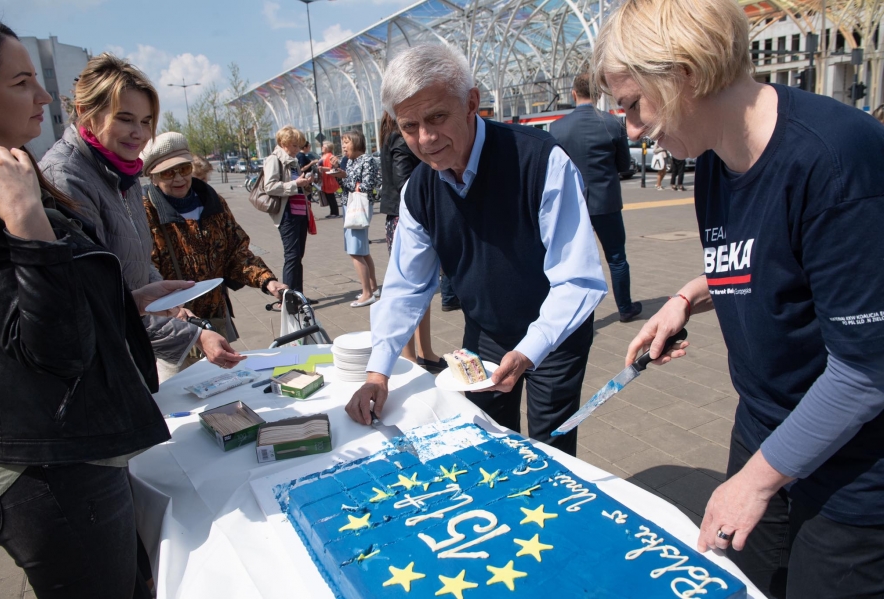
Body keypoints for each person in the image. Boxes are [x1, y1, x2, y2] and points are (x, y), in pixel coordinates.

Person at [593, 0, 884, 596]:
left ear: (685, 76)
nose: (632, 129)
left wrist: (752, 483)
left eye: (633, 104)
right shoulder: (713, 160)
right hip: (764, 429)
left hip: (852, 470)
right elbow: (772, 257)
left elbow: (866, 368)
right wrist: (686, 296)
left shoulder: (837, 159)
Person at [0, 19, 190, 596]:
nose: (43, 96)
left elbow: (69, 295)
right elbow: (54, 346)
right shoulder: (18, 192)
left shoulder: (21, 173)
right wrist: (25, 217)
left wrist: (126, 302)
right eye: (21, 82)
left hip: (76, 442)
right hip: (46, 460)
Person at [345, 44, 608, 456]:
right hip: (486, 333)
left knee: (550, 450)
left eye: (437, 117)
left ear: (471, 103)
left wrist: (530, 349)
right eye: (410, 126)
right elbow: (405, 288)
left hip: (555, 334)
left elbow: (578, 278)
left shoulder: (540, 160)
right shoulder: (420, 189)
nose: (425, 139)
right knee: (488, 440)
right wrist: (378, 373)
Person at [39, 54, 243, 373]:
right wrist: (191, 335)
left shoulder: (123, 172)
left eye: (146, 121)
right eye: (125, 119)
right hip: (102, 363)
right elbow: (98, 301)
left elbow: (135, 265)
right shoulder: (66, 179)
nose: (139, 133)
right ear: (85, 111)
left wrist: (174, 310)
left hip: (131, 348)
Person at [140, 132, 288, 378]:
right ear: (152, 177)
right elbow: (143, 271)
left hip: (214, 319)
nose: (179, 178)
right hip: (172, 326)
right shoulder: (144, 211)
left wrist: (267, 280)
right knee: (176, 392)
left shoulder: (212, 202)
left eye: (184, 169)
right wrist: (174, 310)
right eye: (168, 173)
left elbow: (236, 252)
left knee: (221, 387)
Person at [550, 70, 643, 323]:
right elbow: (624, 165)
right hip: (607, 202)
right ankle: (625, 308)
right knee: (617, 258)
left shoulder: (557, 128)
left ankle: (580, 317)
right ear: (598, 94)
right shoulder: (612, 123)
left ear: (573, 94)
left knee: (575, 262)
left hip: (573, 204)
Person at [379, 113, 444, 373]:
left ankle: (424, 352)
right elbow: (404, 180)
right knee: (410, 290)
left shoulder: (391, 136)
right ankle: (410, 357)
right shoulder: (400, 139)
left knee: (421, 288)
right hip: (404, 217)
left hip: (399, 215)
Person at [264, 126, 316, 302]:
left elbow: (298, 187)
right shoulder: (274, 160)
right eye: (294, 145)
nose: (297, 150)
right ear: (283, 143)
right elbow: (270, 186)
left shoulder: (292, 161)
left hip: (299, 212)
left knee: (297, 256)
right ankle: (287, 299)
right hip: (287, 215)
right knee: (292, 256)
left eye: (298, 146)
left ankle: (298, 296)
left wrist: (306, 183)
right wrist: (295, 184)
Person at [341, 129, 379, 308]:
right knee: (362, 250)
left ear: (356, 142)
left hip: (359, 207)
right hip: (350, 205)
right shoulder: (350, 161)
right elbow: (348, 185)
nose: (343, 146)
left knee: (355, 251)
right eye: (342, 142)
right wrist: (340, 176)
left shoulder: (367, 160)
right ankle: (373, 288)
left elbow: (368, 185)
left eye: (346, 142)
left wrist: (344, 178)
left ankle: (367, 294)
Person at [317, 141, 341, 218]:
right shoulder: (324, 156)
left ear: (328, 148)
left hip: (329, 178)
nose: (322, 148)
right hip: (324, 178)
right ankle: (332, 212)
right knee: (328, 196)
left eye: (323, 146)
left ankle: (335, 212)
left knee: (331, 196)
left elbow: (331, 168)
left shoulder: (330, 156)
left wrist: (322, 168)